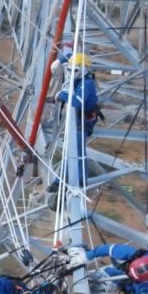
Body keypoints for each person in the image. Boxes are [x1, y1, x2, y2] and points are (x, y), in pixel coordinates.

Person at [48, 50, 100, 192]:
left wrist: (62, 94)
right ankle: (81, 179)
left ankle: (60, 182)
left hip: (82, 122)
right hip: (78, 119)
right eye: (69, 69)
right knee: (78, 151)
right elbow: (72, 54)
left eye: (74, 70)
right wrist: (60, 60)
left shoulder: (87, 84)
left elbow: (77, 102)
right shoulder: (80, 77)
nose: (70, 72)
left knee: (71, 151)